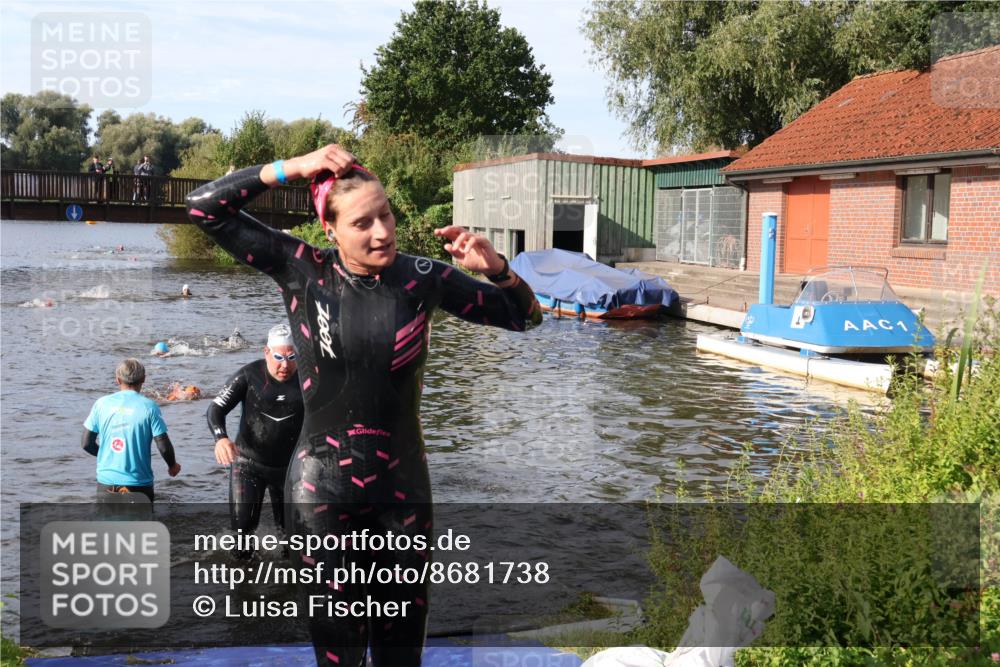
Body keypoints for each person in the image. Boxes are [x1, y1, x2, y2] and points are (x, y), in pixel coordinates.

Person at [186, 144, 541, 666]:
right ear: (330, 230)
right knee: (340, 655)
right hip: (321, 491)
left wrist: (498, 270)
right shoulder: (303, 269)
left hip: (403, 493)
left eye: (386, 214)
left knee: (401, 654)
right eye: (362, 223)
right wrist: (290, 169)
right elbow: (203, 209)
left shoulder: (423, 277)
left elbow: (523, 317)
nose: (382, 232)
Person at [206, 324, 304, 560]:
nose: (285, 365)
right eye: (279, 357)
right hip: (248, 465)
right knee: (242, 539)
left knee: (293, 543)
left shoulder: (308, 378)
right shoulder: (249, 375)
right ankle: (243, 580)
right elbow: (215, 409)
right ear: (266, 352)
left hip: (290, 468)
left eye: (291, 357)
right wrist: (221, 438)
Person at [81, 358, 181, 503]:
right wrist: (172, 466)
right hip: (139, 485)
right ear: (143, 379)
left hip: (106, 483)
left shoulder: (101, 404)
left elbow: (86, 443)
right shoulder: (149, 407)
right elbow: (163, 444)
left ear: (117, 379)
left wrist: (107, 456)